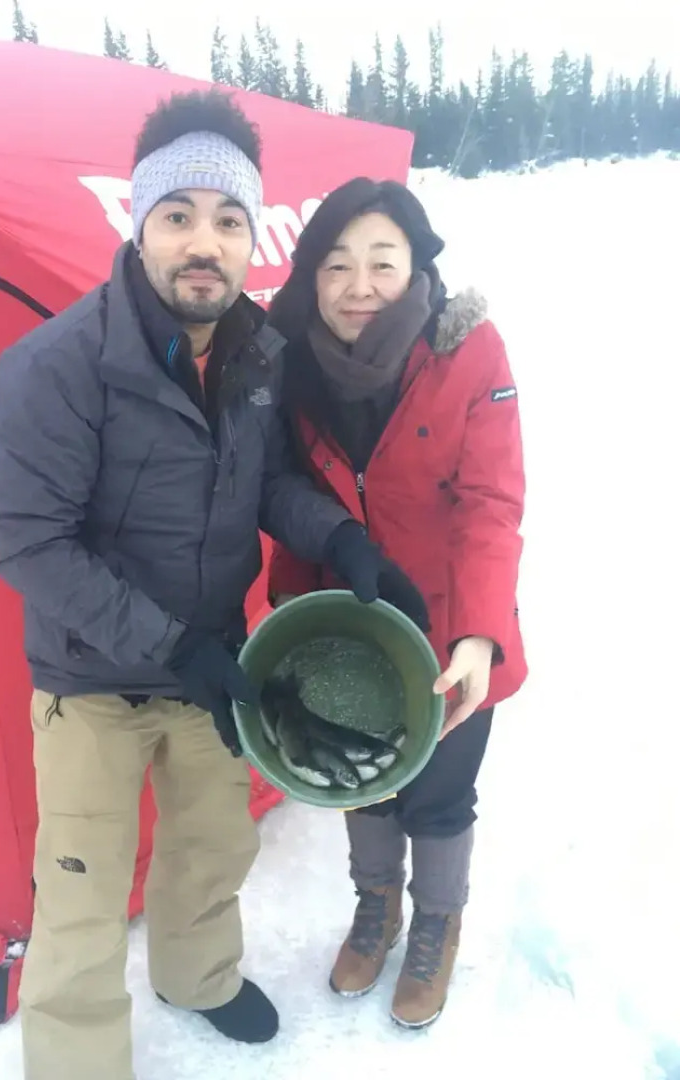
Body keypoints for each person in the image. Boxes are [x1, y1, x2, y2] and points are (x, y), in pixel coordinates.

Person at [0, 95, 423, 1080]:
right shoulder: (54, 368)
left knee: (214, 850)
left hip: (214, 667)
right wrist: (175, 645)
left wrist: (346, 541)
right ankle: (78, 1062)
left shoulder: (259, 355)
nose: (204, 243)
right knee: (84, 892)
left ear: (248, 238)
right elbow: (27, 545)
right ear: (137, 222)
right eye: (178, 214)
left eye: (228, 221)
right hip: (91, 680)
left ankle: (200, 977)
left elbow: (267, 482)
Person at [266, 177, 527, 1030]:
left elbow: (492, 503)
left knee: (441, 794)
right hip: (346, 625)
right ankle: (375, 905)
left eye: (383, 260)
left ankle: (437, 924)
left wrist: (483, 634)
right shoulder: (289, 360)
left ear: (417, 268)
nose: (358, 284)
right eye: (337, 264)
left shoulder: (470, 351)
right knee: (365, 784)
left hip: (451, 627)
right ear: (312, 275)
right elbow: (281, 491)